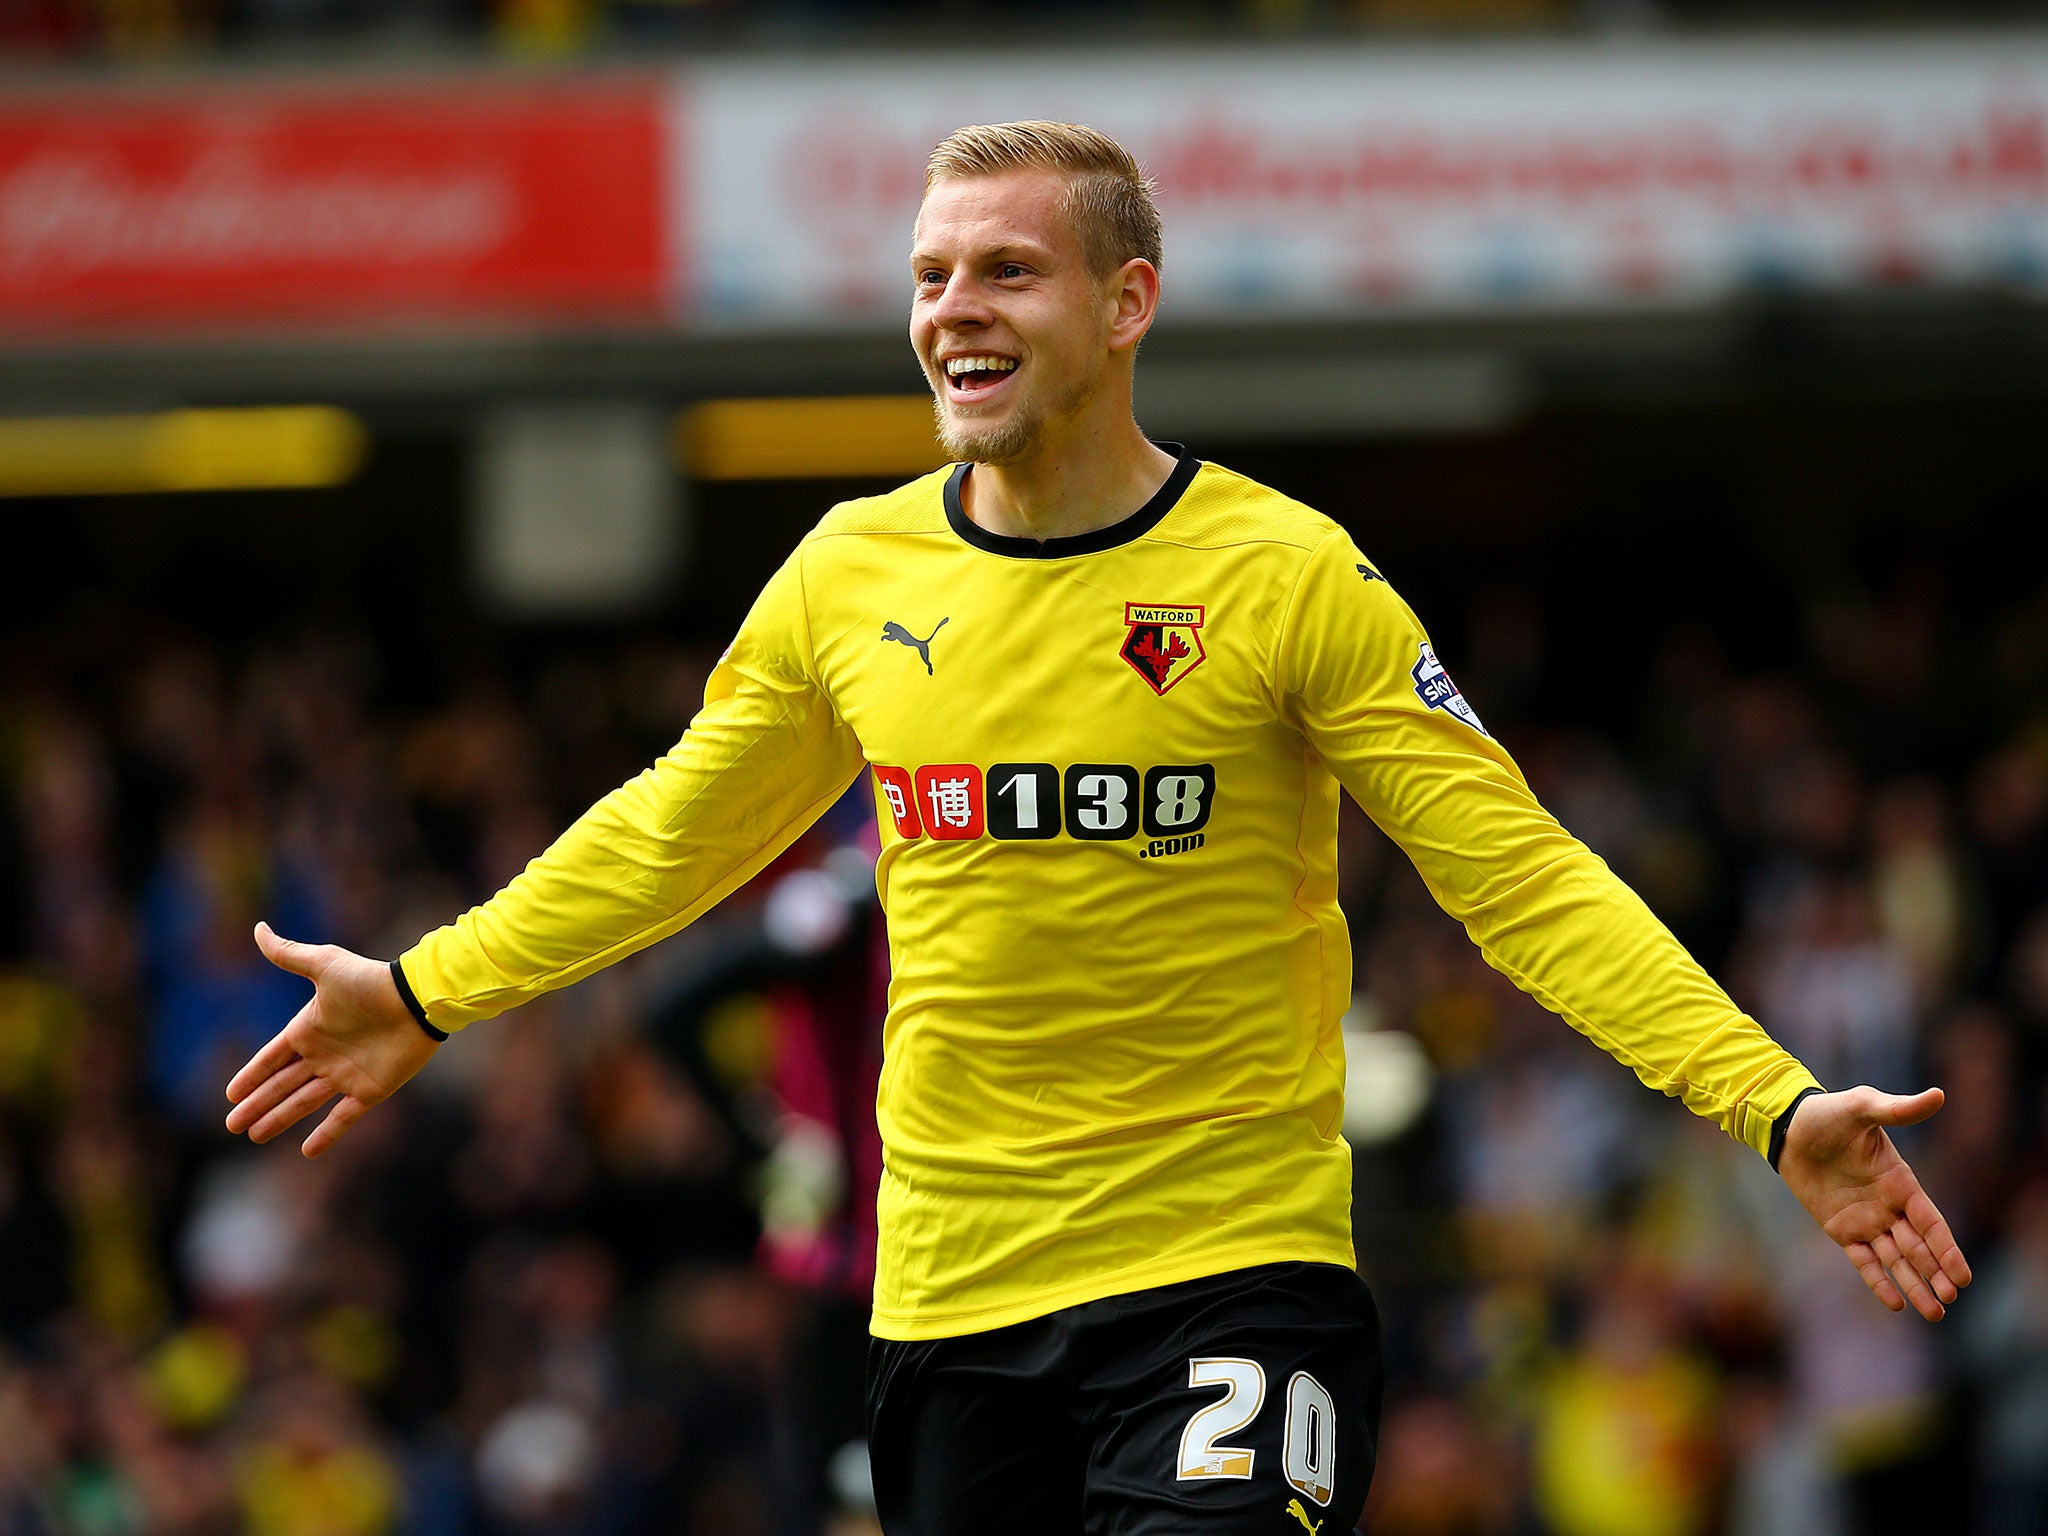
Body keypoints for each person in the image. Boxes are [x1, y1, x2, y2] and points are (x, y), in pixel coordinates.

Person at [224, 122, 1972, 1535]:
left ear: (1129, 301)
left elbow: (1518, 878)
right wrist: (431, 988)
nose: (952, 312)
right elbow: (673, 834)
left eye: (1004, 271)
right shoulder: (852, 576)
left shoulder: (1285, 574)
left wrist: (1770, 1101)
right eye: (928, 276)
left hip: (1230, 1275)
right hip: (946, 1300)